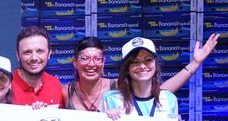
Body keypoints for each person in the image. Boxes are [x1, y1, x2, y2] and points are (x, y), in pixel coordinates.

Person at [63, 34, 220, 111]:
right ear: (75, 62)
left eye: (97, 58)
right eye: (85, 58)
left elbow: (158, 93)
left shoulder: (117, 87)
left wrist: (195, 63)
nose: (91, 64)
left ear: (103, 62)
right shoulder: (65, 92)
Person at [11, 25, 63, 107]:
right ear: (17, 55)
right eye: (27, 52)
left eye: (40, 51)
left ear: (49, 54)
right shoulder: (7, 85)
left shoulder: (55, 84)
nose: (34, 58)